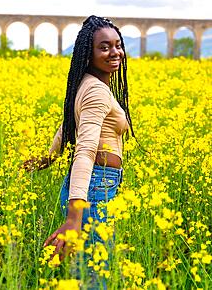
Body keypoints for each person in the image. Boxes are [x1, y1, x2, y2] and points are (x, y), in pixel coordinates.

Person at [23, 15, 136, 285]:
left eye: (117, 45)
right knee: (94, 274)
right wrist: (74, 218)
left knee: (86, 271)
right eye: (104, 47)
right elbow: (84, 151)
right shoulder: (96, 90)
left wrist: (49, 157)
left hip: (94, 187)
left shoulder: (85, 83)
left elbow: (68, 126)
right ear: (88, 53)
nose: (115, 52)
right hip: (93, 190)